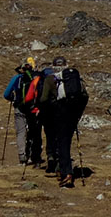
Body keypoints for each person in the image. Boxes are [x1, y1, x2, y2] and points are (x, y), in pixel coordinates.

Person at [38, 56, 88, 188]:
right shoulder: (75, 79)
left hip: (58, 115)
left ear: (53, 66)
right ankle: (64, 170)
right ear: (66, 65)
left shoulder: (50, 79)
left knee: (61, 143)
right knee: (67, 141)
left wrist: (46, 111)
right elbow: (85, 96)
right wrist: (78, 114)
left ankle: (66, 173)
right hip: (72, 115)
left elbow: (43, 99)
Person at [2, 58, 43, 167]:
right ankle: (34, 155)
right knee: (34, 131)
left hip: (19, 108)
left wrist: (14, 99)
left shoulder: (17, 78)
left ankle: (22, 156)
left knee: (21, 132)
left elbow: (6, 94)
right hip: (33, 108)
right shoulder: (37, 78)